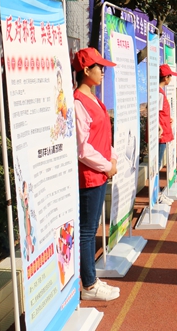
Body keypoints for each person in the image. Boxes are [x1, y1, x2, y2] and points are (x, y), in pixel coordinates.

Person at [72, 47, 120, 301]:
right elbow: (83, 148)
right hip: (89, 176)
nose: (103, 71)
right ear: (86, 70)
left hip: (100, 173)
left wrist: (111, 158)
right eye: (99, 67)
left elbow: (102, 137)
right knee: (87, 231)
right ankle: (88, 284)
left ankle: (91, 279)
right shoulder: (78, 102)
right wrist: (106, 165)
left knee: (90, 229)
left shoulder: (94, 99)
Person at [159, 65, 177, 170]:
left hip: (163, 128)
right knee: (157, 162)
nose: (171, 79)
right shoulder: (159, 93)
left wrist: (167, 118)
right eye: (170, 77)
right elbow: (155, 113)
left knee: (159, 160)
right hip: (161, 132)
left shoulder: (160, 92)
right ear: (166, 78)